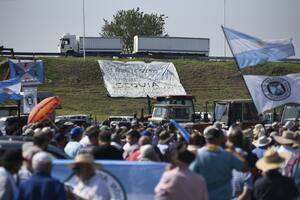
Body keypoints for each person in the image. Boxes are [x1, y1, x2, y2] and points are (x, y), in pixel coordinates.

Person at [190, 126, 247, 200]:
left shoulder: (198, 155)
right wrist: (234, 150)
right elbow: (245, 168)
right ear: (218, 139)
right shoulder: (226, 155)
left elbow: (191, 175)